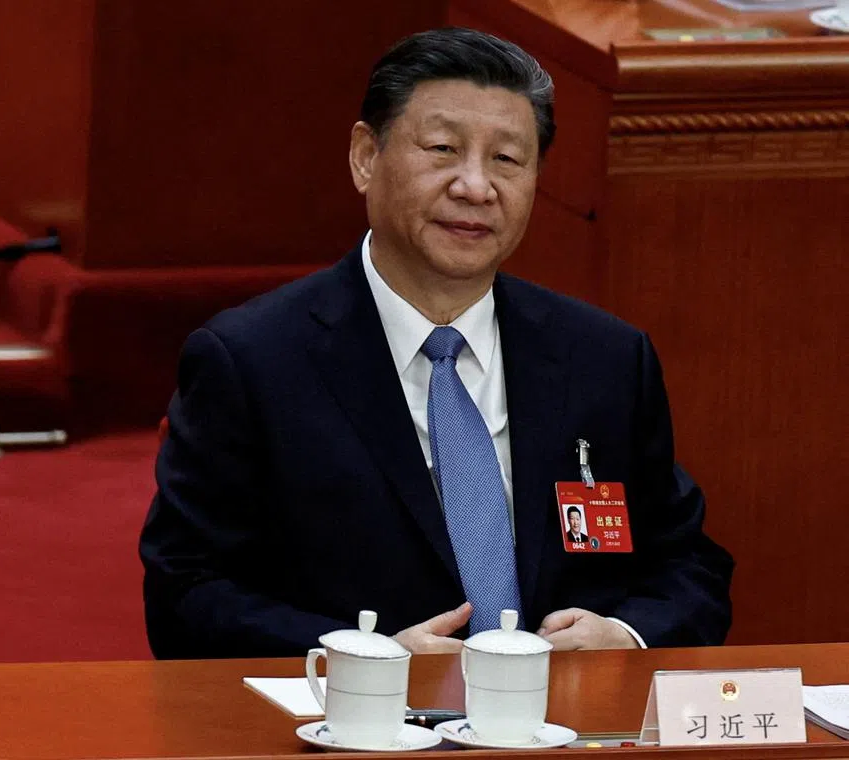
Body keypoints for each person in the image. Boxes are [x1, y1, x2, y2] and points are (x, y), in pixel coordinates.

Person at [139, 28, 733, 659]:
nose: (476, 187)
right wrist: (365, 659)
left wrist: (626, 635)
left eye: (507, 159)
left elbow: (688, 566)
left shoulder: (604, 358)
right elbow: (185, 592)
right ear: (365, 157)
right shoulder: (251, 360)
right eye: (443, 148)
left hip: (563, 714)